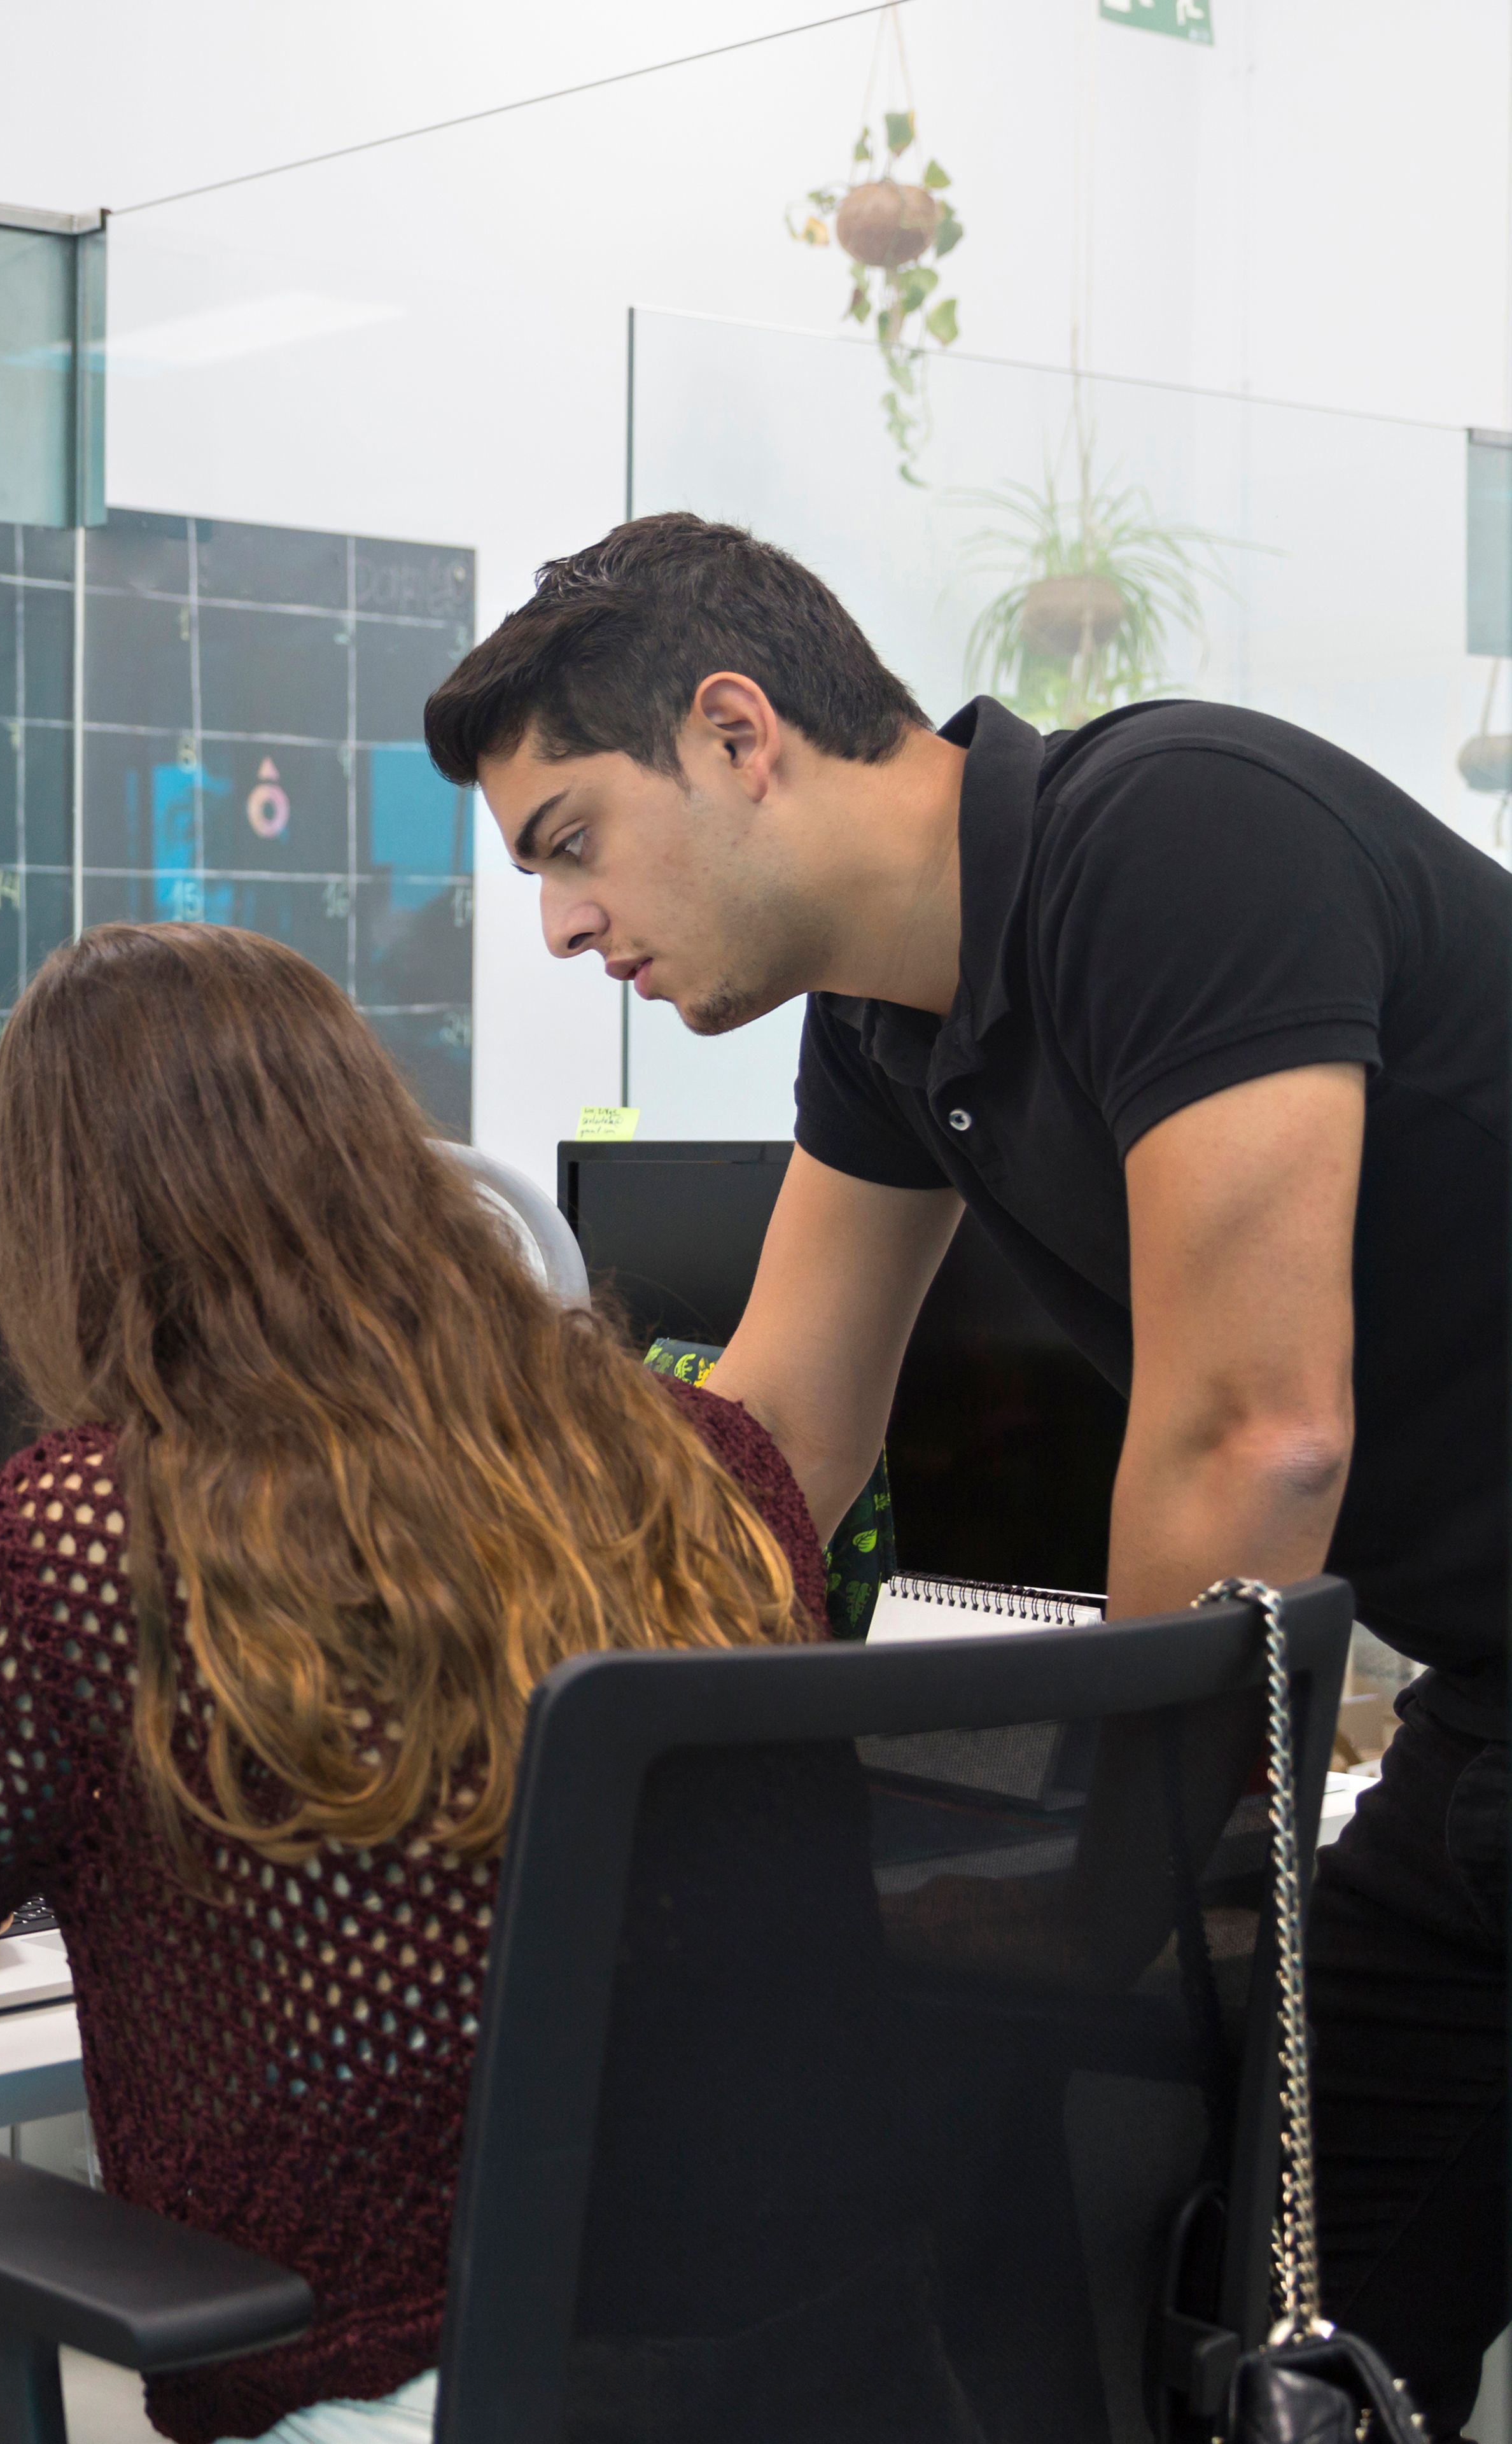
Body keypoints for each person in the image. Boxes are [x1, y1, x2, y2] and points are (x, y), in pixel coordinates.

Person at [422, 510, 1512, 2431]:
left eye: (569, 840)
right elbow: (776, 1437)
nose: (564, 929)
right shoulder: (884, 1024)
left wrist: (1106, 1890)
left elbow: (1259, 1439)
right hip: (1490, 1704)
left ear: (737, 733)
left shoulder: (1174, 840)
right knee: (1279, 2309)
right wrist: (469, 1671)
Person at [0, 922, 829, 2444]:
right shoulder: (706, 1458)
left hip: (392, 2404)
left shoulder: (94, 1533)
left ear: (64, 1232)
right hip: (802, 2368)